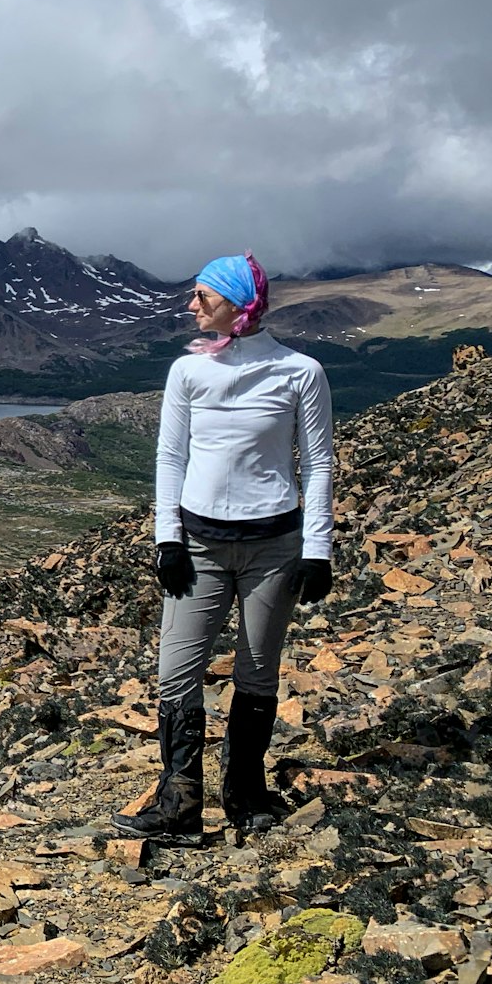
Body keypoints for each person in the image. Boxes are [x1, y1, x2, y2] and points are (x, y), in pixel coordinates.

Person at [111, 252, 334, 847]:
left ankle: (246, 793)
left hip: (274, 546)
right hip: (201, 544)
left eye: (203, 297)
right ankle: (180, 802)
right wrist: (168, 538)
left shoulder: (300, 372)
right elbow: (170, 457)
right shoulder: (188, 373)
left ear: (239, 304)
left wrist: (318, 548)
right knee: (175, 673)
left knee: (257, 671)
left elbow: (316, 463)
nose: (191, 306)